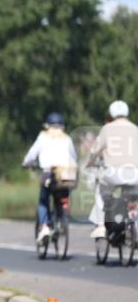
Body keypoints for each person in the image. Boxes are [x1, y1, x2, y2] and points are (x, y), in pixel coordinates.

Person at [22, 113, 78, 244]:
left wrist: (26, 163)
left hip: (49, 174)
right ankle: (62, 220)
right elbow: (74, 157)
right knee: (61, 198)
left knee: (43, 201)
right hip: (66, 176)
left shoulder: (43, 137)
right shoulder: (67, 139)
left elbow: (31, 155)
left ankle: (45, 227)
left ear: (47, 126)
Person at [87, 100, 138, 239]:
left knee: (100, 191)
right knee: (133, 199)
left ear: (111, 113)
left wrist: (90, 162)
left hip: (114, 173)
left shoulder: (107, 129)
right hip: (135, 174)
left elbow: (95, 150)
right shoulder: (135, 128)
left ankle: (101, 225)